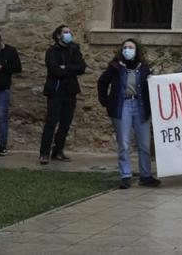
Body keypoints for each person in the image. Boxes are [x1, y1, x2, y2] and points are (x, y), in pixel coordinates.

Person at [97, 38, 160, 189]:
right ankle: (125, 175)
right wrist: (106, 101)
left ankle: (145, 175)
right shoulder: (115, 66)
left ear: (136, 50)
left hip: (140, 106)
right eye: (125, 47)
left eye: (131, 47)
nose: (127, 50)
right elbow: (102, 82)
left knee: (144, 143)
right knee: (124, 143)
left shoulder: (143, 67)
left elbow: (150, 85)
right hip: (122, 105)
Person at [39, 24, 85, 165]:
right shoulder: (52, 51)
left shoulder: (74, 49)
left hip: (70, 91)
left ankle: (58, 150)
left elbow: (81, 67)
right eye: (65, 32)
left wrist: (66, 67)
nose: (68, 34)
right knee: (51, 122)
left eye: (69, 32)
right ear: (58, 35)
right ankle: (44, 153)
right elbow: (54, 69)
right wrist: (69, 70)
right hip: (55, 91)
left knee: (65, 123)